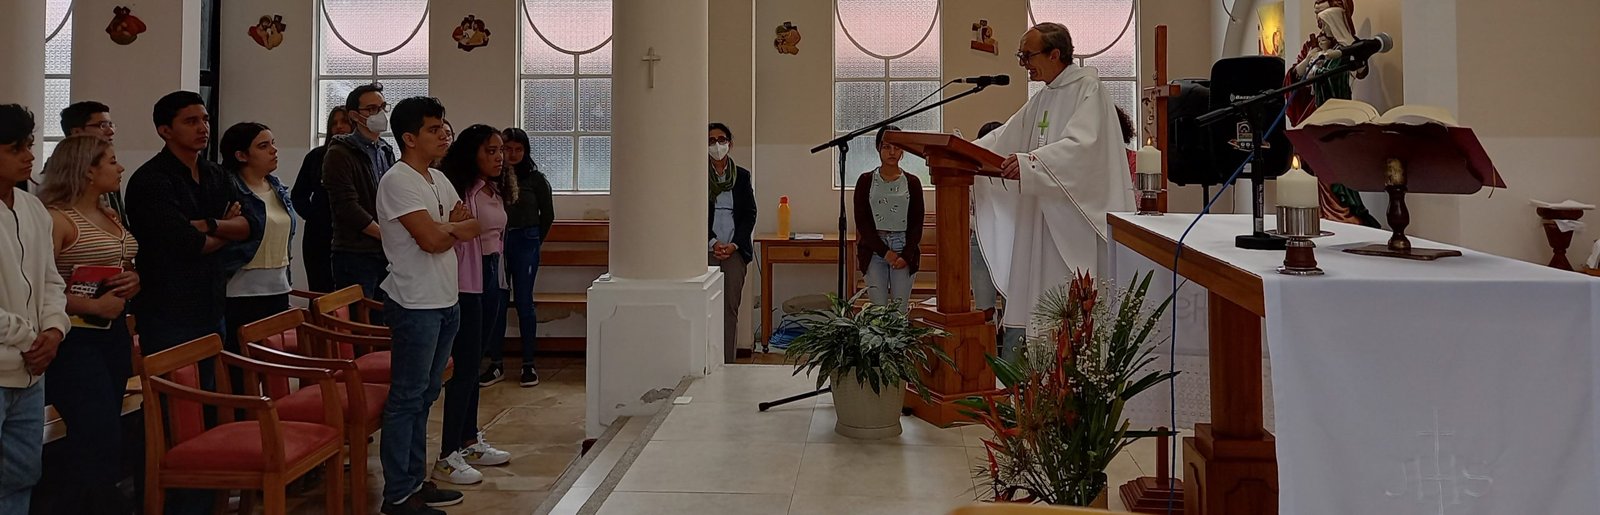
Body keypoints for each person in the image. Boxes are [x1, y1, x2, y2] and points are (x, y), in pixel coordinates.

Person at [972, 23, 1134, 360]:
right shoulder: (1044, 97)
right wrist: (965, 151)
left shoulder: (1088, 89)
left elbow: (1083, 148)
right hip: (1043, 223)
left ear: (1055, 54)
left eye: (1027, 55)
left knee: (1072, 321)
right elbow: (1005, 138)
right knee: (1043, 321)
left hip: (1074, 222)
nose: (1023, 64)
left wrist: (1033, 164)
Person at [375, 96, 479, 515]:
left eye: (443, 126)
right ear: (409, 138)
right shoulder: (399, 180)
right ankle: (398, 494)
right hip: (414, 302)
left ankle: (417, 481)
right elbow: (432, 241)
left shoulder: (437, 178)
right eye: (434, 129)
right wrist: (449, 229)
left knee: (426, 394)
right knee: (407, 396)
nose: (444, 134)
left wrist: (447, 227)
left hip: (445, 298)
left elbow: (473, 225)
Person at [38, 135, 138, 515]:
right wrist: (91, 304)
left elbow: (121, 263)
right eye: (112, 161)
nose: (120, 168)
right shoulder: (56, 220)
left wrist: (134, 280)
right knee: (96, 433)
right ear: (87, 170)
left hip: (111, 333)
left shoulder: (110, 213)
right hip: (75, 337)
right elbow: (39, 286)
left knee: (107, 431)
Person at [436, 124, 514, 485]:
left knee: (477, 361)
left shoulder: (494, 189)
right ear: (472, 154)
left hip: (493, 276)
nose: (499, 157)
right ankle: (447, 453)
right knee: (464, 367)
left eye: (500, 150)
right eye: (491, 151)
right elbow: (455, 233)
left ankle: (469, 440)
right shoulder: (460, 190)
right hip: (469, 282)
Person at [0, 104, 67, 515]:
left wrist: (54, 332)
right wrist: (30, 337)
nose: (28, 155)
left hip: (31, 372)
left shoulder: (33, 208)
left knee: (22, 473)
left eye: (28, 144)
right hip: (13, 357)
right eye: (14, 148)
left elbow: (51, 282)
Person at [482, 127, 552, 388]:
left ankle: (528, 365)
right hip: (497, 243)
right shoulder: (492, 178)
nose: (511, 154)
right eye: (506, 148)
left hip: (526, 242)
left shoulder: (536, 179)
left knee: (524, 302)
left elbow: (548, 215)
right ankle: (496, 363)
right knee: (496, 301)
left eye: (517, 149)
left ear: (526, 151)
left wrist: (534, 241)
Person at [218, 122, 295, 356]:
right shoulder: (228, 189)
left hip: (278, 287)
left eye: (273, 143)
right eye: (263, 146)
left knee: (271, 367)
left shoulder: (276, 186)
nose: (274, 150)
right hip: (240, 292)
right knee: (242, 366)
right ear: (241, 155)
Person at [324, 83, 397, 301]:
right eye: (372, 109)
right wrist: (385, 234)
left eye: (383, 107)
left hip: (385, 252)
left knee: (383, 321)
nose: (380, 114)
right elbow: (347, 207)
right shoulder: (339, 153)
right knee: (359, 323)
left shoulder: (385, 149)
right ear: (355, 116)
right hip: (355, 252)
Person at [853, 125, 925, 311]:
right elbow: (862, 222)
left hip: (903, 247)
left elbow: (917, 222)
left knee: (899, 311)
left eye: (897, 147)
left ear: (903, 150)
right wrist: (885, 252)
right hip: (874, 248)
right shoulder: (865, 181)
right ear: (878, 148)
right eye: (886, 147)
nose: (892, 152)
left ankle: (899, 341)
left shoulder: (912, 182)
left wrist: (906, 254)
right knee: (879, 310)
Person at [706, 122, 756, 363]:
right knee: (704, 308)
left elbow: (750, 214)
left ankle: (727, 363)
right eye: (711, 141)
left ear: (730, 144)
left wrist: (735, 244)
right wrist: (712, 242)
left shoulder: (742, 176)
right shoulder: (697, 176)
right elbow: (693, 213)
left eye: (721, 139)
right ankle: (705, 362)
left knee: (729, 309)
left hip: (734, 251)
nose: (717, 145)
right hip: (706, 250)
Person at [292, 107, 353, 293]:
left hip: (352, 236)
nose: (339, 127)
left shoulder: (361, 157)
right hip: (319, 236)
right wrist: (314, 217)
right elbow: (298, 195)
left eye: (344, 122)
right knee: (321, 290)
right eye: (334, 123)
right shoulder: (316, 156)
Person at [60, 101, 126, 223]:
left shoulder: (108, 174)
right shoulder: (58, 174)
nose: (111, 131)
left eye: (111, 125)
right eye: (102, 125)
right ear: (76, 132)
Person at [971, 121, 1004, 321]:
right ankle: (985, 351)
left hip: (1009, 241)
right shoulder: (971, 172)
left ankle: (1012, 353)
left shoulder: (1014, 171)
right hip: (980, 240)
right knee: (984, 311)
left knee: (1014, 310)